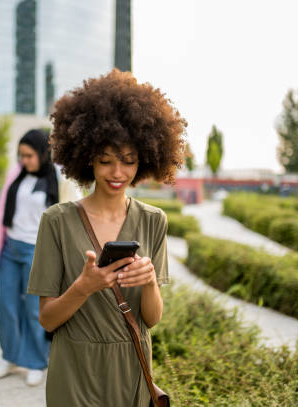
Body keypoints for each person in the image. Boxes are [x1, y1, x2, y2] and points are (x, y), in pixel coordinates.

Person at [27, 69, 187, 406]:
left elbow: (152, 320)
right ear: (87, 158)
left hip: (132, 368)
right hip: (74, 370)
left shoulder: (154, 220)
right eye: (106, 161)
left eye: (128, 161)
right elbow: (47, 318)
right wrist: (84, 286)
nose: (118, 173)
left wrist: (150, 282)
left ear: (144, 159)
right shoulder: (56, 221)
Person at [0, 129, 81, 387]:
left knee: (33, 309)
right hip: (10, 248)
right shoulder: (17, 174)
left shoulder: (58, 179)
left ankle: (37, 360)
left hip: (37, 251)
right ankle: (10, 356)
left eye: (29, 155)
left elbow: (72, 214)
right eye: (21, 155)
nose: (24, 160)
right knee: (3, 303)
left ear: (43, 153)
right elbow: (3, 209)